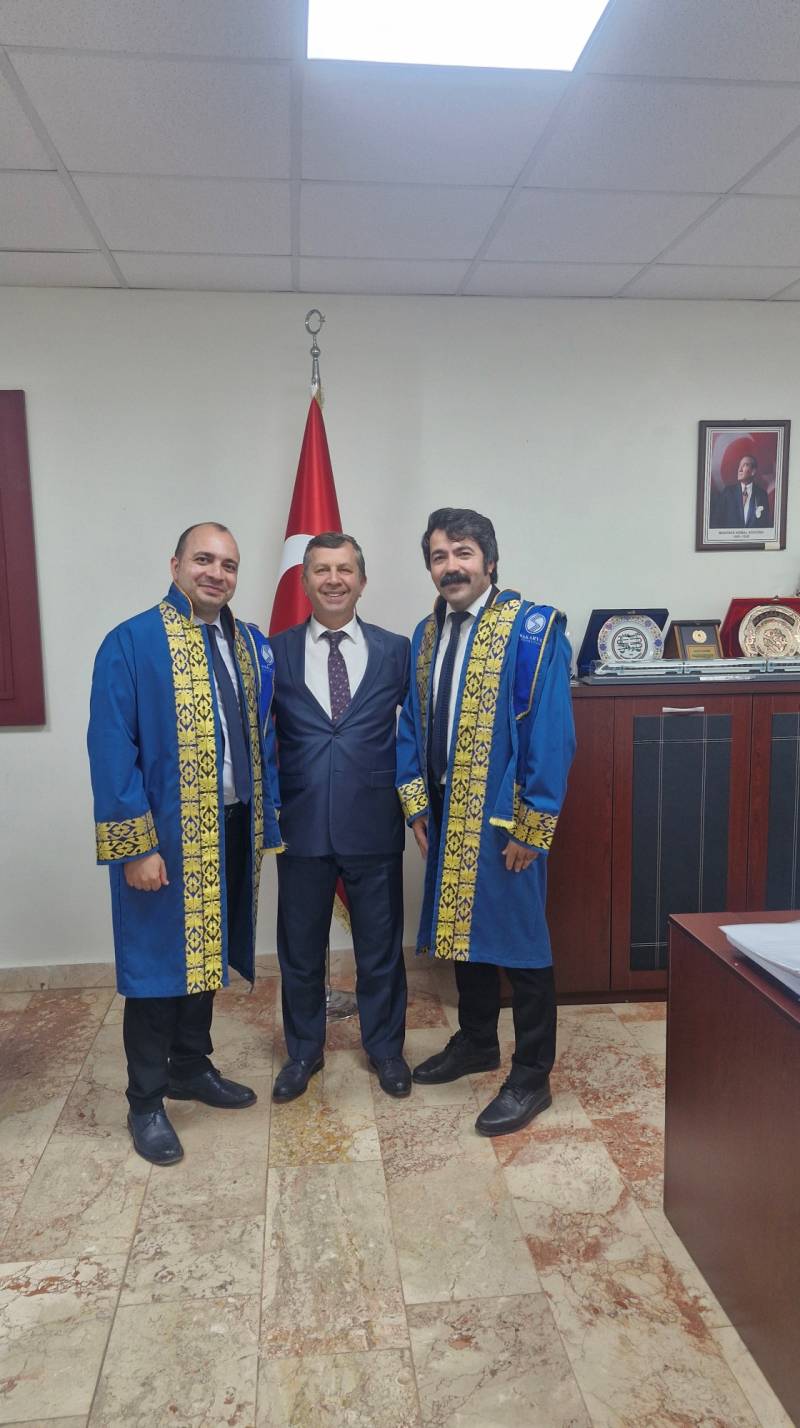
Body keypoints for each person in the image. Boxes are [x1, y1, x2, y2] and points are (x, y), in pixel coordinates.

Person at [87, 522, 283, 1166]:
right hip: (164, 837)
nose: (216, 574)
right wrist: (135, 848)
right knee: (156, 969)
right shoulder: (132, 641)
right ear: (175, 565)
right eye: (204, 559)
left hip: (229, 826)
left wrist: (267, 818)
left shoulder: (247, 644)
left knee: (206, 953)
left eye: (228, 565)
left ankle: (191, 1067)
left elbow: (263, 736)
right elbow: (111, 749)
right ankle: (145, 1101)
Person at [396, 508, 575, 1136]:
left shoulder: (533, 630)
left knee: (522, 944)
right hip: (447, 810)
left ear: (490, 561)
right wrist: (416, 804)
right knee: (460, 930)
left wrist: (532, 824)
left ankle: (532, 1075)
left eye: (463, 553)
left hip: (504, 815)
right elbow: (411, 721)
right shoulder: (426, 634)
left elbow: (551, 733)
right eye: (439, 556)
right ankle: (476, 1040)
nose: (451, 567)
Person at [270, 533, 411, 1102]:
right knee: (300, 951)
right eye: (322, 570)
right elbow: (257, 737)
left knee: (381, 950)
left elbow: (416, 734)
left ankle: (386, 1049)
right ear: (304, 581)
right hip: (300, 825)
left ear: (362, 580)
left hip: (374, 822)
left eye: (345, 569)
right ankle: (303, 1051)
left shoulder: (396, 650)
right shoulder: (272, 652)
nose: (334, 579)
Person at [716, 454, 772, 528]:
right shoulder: (728, 493)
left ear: (753, 472)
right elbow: (716, 521)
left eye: (745, 465)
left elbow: (765, 524)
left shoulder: (762, 495)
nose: (740, 470)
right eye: (739, 466)